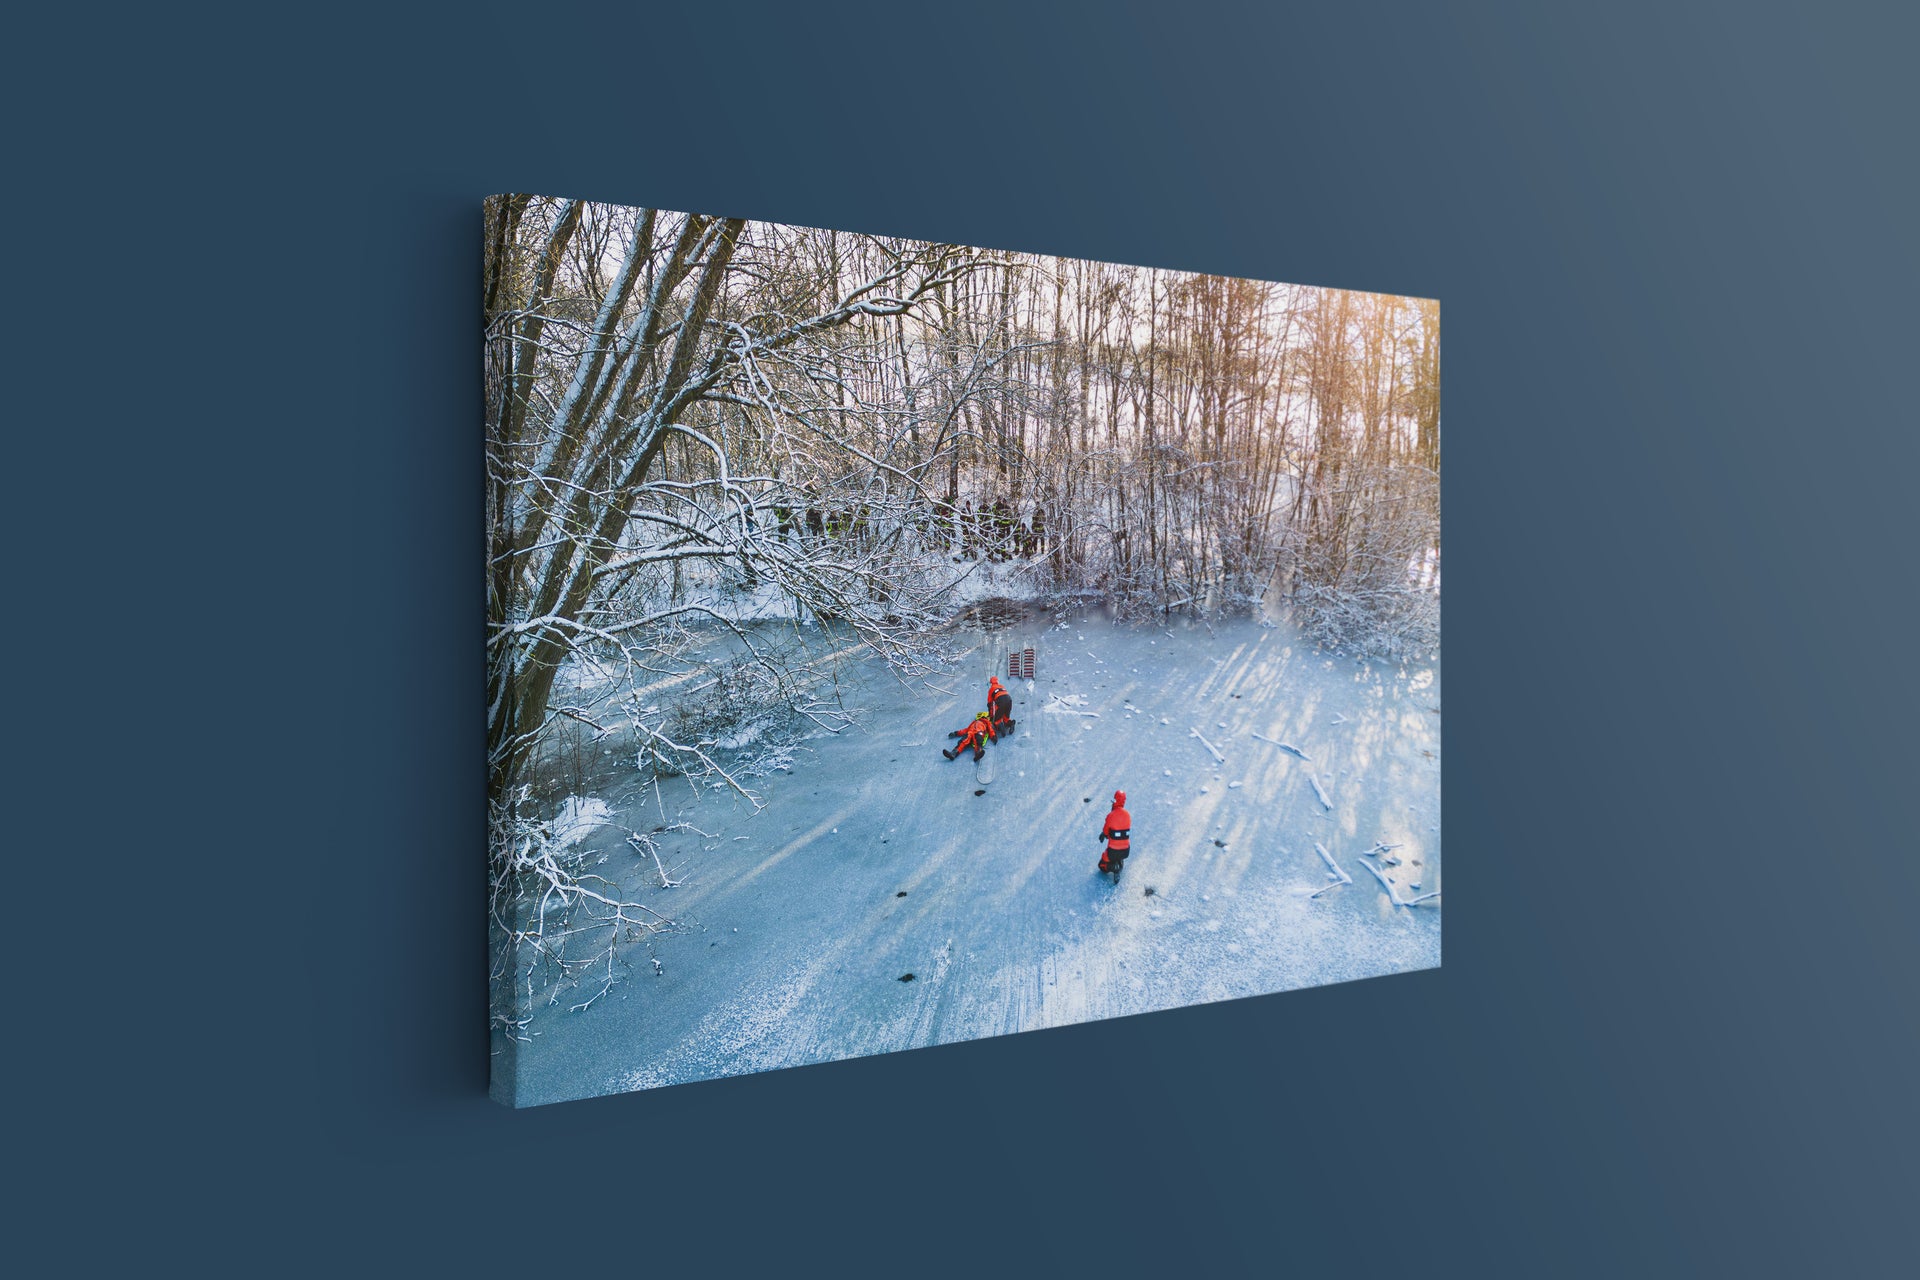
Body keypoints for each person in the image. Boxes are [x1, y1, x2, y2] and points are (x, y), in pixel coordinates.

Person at [1098, 790, 1132, 878]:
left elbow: (1106, 831)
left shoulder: (1111, 815)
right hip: (1125, 851)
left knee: (1101, 866)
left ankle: (1113, 867)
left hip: (1112, 851)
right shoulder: (1128, 815)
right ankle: (1119, 864)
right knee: (1119, 856)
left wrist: (1104, 835)